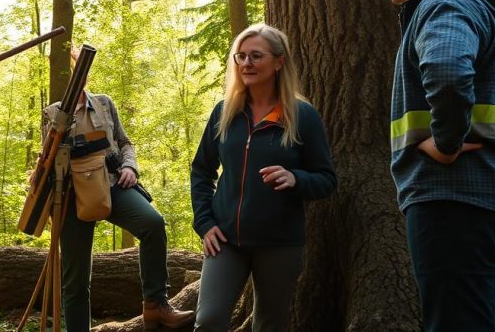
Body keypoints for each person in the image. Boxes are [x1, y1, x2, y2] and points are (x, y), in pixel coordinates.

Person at [374, 0, 495, 332]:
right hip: (483, 199)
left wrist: (444, 143)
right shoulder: (460, 4)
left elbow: (445, 69)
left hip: (456, 199)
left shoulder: (442, 4)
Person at [190, 24, 337, 332]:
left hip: (280, 243)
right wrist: (205, 222)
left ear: (278, 62)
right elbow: (201, 170)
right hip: (226, 240)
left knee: (269, 325)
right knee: (208, 321)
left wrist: (295, 178)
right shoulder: (224, 113)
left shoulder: (302, 116)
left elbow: (326, 179)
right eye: (240, 57)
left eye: (256, 56)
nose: (246, 63)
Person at [42, 49, 194, 331]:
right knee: (75, 280)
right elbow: (46, 162)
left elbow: (125, 143)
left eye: (82, 70)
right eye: (74, 70)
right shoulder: (52, 113)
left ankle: (155, 305)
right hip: (72, 196)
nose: (79, 75)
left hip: (113, 184)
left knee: (153, 224)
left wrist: (130, 168)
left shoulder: (104, 103)